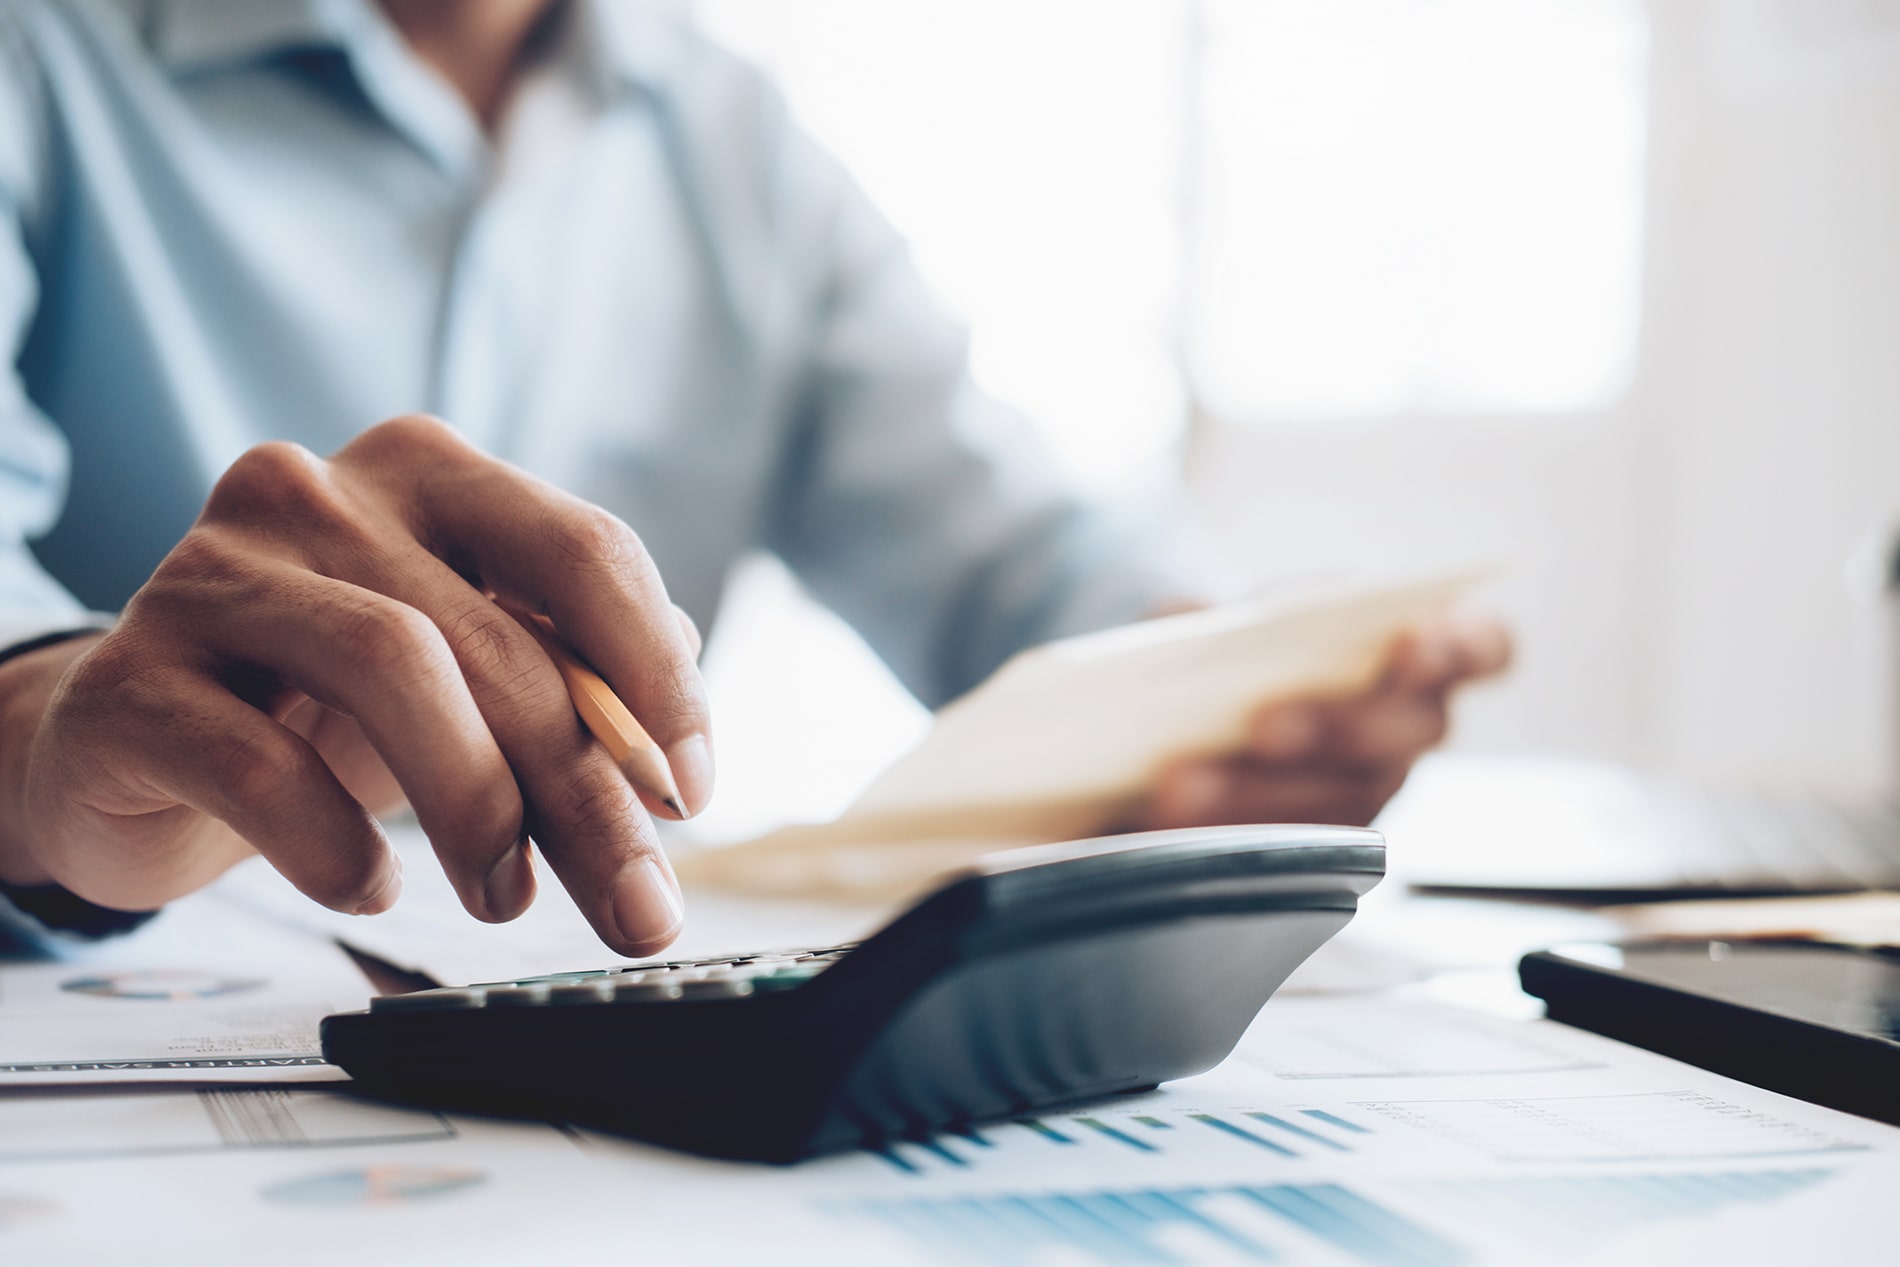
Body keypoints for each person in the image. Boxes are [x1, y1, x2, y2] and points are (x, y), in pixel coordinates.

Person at [0, 0, 1508, 955]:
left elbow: (1012, 556)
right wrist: (48, 735)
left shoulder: (736, 141)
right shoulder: (40, 54)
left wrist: (1247, 683)